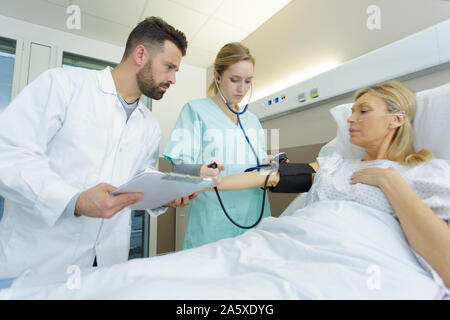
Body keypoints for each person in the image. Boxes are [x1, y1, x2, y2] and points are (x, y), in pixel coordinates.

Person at [0, 17, 220, 278]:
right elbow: (9, 154)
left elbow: (138, 184)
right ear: (141, 54)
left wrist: (165, 195)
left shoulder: (149, 125)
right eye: (169, 67)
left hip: (105, 263)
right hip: (39, 261)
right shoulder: (63, 85)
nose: (173, 79)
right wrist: (75, 200)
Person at [212, 80, 450, 288]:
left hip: (351, 268)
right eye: (353, 111)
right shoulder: (335, 164)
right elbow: (271, 176)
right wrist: (206, 184)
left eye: (363, 111)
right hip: (283, 248)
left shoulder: (424, 173)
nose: (351, 118)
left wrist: (389, 181)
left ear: (396, 119)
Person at [163, 42, 271, 249]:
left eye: (248, 81)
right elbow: (178, 166)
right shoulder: (195, 111)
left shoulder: (252, 121)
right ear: (217, 76)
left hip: (256, 219)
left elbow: (257, 167)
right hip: (213, 223)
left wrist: (270, 165)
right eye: (234, 79)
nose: (242, 88)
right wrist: (201, 171)